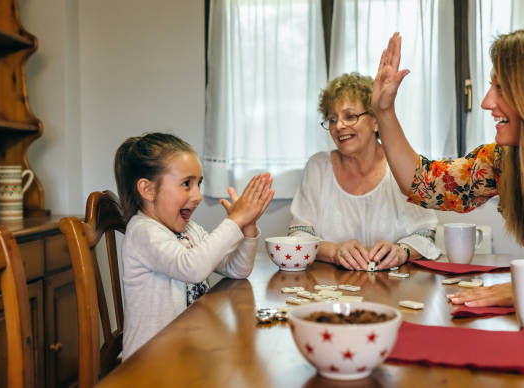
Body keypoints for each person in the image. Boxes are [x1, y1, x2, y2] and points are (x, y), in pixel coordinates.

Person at [371, 23, 524, 320]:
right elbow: (423, 184)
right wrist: (384, 112)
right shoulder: (503, 160)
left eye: (501, 88)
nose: (486, 102)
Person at [114, 132, 275, 357]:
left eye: (198, 183)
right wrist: (234, 221)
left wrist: (247, 228)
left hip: (186, 349)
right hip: (149, 361)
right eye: (186, 183)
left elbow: (236, 270)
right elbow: (192, 268)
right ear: (148, 190)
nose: (198, 196)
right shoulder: (143, 231)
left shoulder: (189, 230)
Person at [289, 73, 441, 271]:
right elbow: (298, 235)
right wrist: (335, 251)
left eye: (350, 116)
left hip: (394, 292)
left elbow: (425, 232)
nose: (338, 126)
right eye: (332, 119)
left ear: (376, 121)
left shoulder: (401, 167)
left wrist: (401, 251)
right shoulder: (318, 167)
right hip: (331, 291)